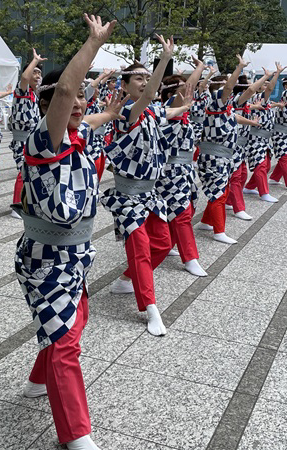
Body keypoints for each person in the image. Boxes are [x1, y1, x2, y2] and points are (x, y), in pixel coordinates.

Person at [14, 14, 121, 450]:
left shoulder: (82, 137)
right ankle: (77, 436)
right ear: (48, 107)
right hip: (45, 259)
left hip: (76, 256)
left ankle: (37, 382)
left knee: (73, 323)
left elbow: (96, 114)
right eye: (70, 98)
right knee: (65, 342)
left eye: (82, 97)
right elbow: (61, 90)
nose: (77, 102)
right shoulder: (44, 141)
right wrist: (92, 45)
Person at [103, 35, 195, 336]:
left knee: (164, 242)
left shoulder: (152, 111)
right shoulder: (125, 113)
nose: (144, 82)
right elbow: (150, 97)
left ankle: (127, 279)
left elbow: (165, 112)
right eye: (138, 78)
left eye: (146, 77)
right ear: (126, 86)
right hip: (128, 196)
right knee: (141, 247)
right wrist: (165, 58)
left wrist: (185, 106)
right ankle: (151, 308)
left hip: (151, 194)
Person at [157, 57, 207, 277]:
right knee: (183, 213)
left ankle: (167, 245)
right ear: (170, 96)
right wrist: (199, 69)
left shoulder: (183, 113)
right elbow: (189, 87)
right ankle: (190, 257)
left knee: (184, 210)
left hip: (184, 171)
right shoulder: (167, 109)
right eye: (182, 90)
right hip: (170, 172)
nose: (189, 93)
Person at [195, 55, 250, 245]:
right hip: (214, 156)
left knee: (219, 190)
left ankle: (205, 222)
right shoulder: (216, 101)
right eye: (227, 84)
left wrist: (251, 122)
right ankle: (219, 231)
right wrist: (239, 68)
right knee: (219, 193)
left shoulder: (224, 107)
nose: (231, 86)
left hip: (222, 156)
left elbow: (244, 99)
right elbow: (228, 87)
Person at [225, 71, 272, 221]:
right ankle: (239, 207)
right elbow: (252, 90)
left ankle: (225, 202)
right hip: (233, 145)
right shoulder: (236, 99)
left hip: (241, 145)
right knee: (237, 176)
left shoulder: (242, 103)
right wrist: (266, 77)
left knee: (241, 174)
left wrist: (254, 108)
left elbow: (247, 106)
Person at [9, 49, 45, 218]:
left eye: (39, 73)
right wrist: (35, 61)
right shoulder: (21, 91)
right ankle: (16, 205)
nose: (37, 76)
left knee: (29, 171)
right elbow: (24, 77)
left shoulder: (34, 94)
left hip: (31, 138)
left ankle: (27, 201)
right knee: (22, 172)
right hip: (21, 138)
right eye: (35, 73)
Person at [243, 62, 286, 203]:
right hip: (255, 138)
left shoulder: (264, 101)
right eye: (265, 83)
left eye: (268, 83)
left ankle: (249, 187)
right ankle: (264, 193)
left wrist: (277, 104)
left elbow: (269, 103)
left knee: (266, 165)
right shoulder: (258, 97)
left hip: (264, 139)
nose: (267, 85)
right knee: (261, 165)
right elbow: (271, 88)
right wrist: (276, 74)